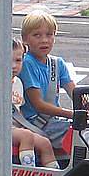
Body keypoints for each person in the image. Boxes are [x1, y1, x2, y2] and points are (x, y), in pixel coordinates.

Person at [18, 8, 76, 147]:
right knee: (81, 136)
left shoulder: (57, 64)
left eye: (49, 35)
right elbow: (39, 105)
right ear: (25, 39)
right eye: (37, 35)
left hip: (54, 121)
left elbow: (75, 93)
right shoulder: (27, 63)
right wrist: (73, 114)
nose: (44, 40)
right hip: (35, 124)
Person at [11, 38, 58, 168]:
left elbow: (18, 112)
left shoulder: (18, 83)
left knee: (45, 143)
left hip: (15, 127)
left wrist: (25, 126)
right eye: (7, 60)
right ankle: (28, 171)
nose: (14, 65)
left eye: (18, 60)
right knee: (26, 136)